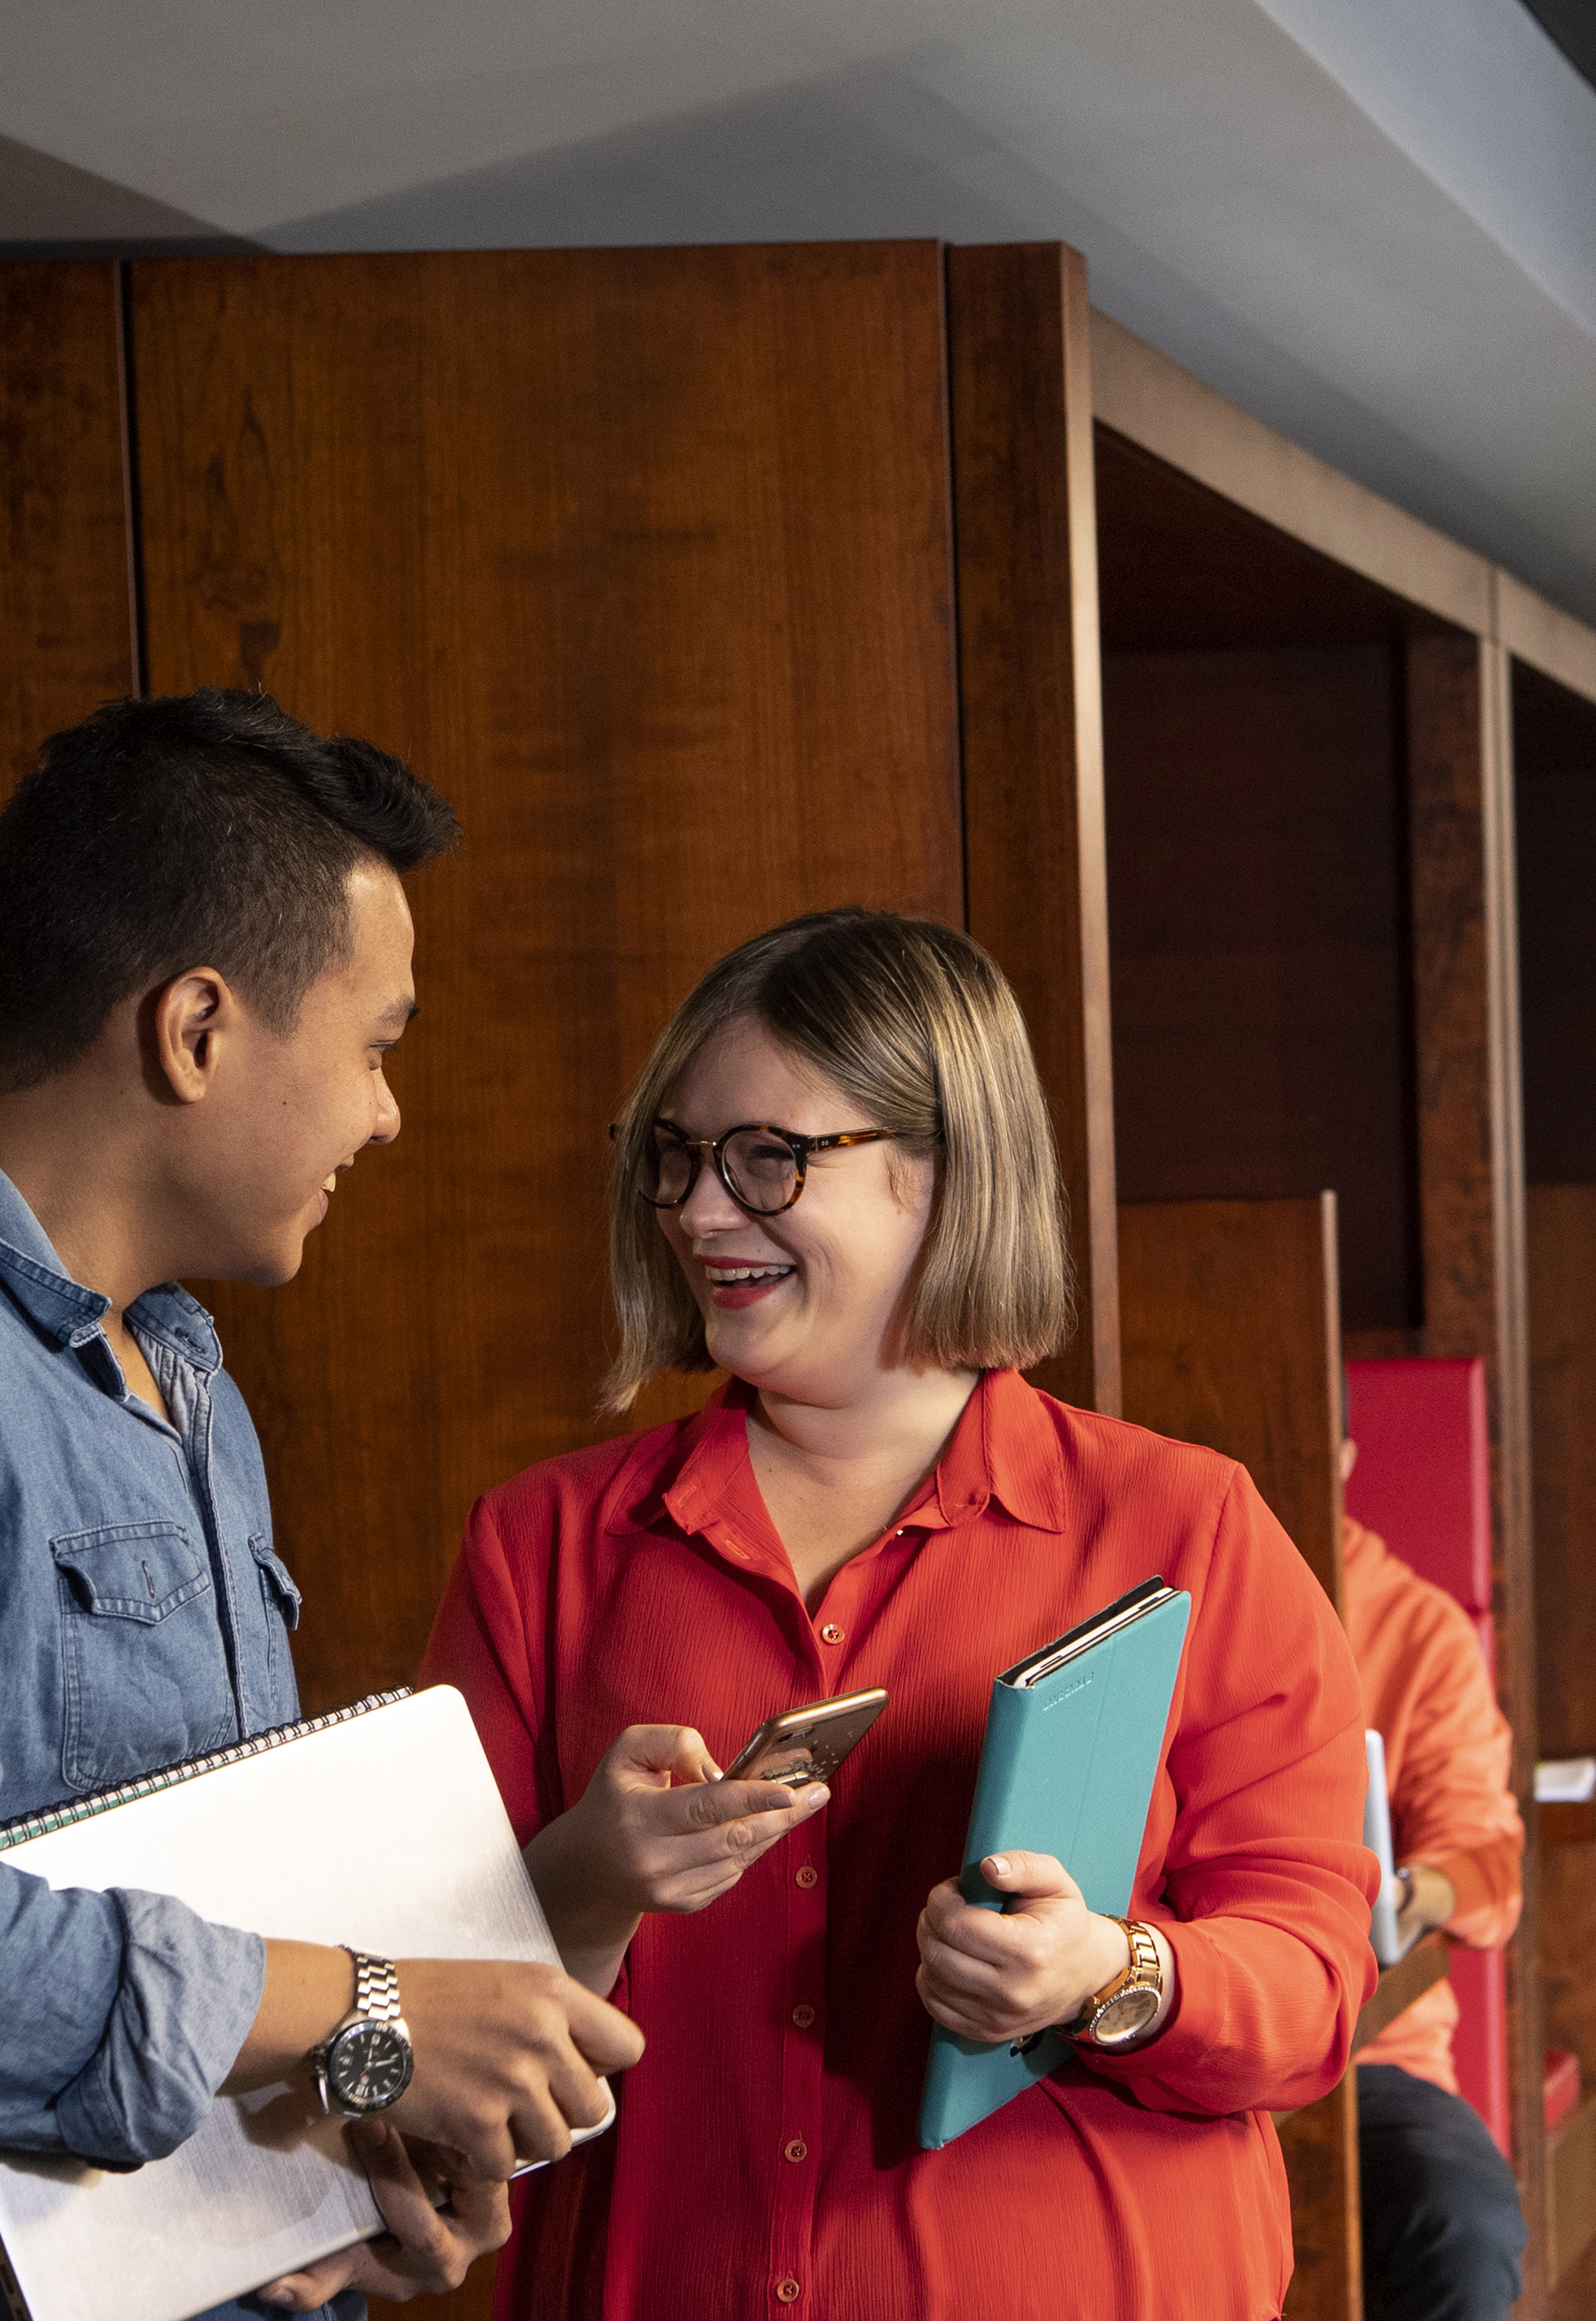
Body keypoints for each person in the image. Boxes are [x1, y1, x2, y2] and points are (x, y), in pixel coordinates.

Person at [0, 693, 644, 2321]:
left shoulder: (182, 1375)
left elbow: (189, 1941)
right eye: (377, 1041)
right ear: (193, 1027)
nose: (389, 1110)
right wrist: (361, 2001)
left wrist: (331, 2155)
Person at [415, 906, 1378, 2320]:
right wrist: (581, 1883)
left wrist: (1115, 1970)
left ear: (947, 1173)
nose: (695, 1210)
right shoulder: (542, 1544)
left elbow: (1312, 1987)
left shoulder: (1188, 1528)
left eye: (769, 1157)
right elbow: (407, 2023)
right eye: (675, 1159)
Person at [1334, 1441, 1527, 2321]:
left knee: (1464, 2223)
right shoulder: (1149, 1603)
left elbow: (1486, 1865)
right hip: (1163, 2049)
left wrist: (1403, 1896)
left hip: (1366, 2060)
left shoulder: (1416, 1626)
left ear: (1340, 1457)